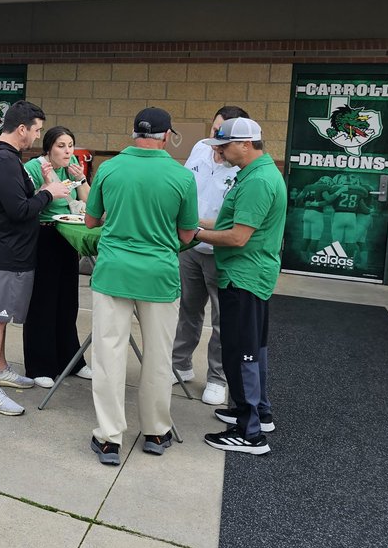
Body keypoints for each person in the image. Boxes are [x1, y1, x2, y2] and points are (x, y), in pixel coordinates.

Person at [84, 107, 198, 466]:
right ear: (167, 136)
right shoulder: (181, 176)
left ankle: (109, 438)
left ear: (133, 133)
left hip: (114, 271)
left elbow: (90, 220)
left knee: (108, 356)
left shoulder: (110, 168)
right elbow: (187, 234)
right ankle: (155, 430)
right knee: (159, 357)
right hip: (159, 275)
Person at [196, 117, 287, 456]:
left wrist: (192, 235)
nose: (218, 151)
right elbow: (227, 223)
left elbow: (237, 237)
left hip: (244, 277)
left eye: (224, 145)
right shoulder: (255, 174)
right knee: (251, 348)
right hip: (248, 276)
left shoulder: (258, 181)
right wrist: (193, 222)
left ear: (246, 144)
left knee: (243, 352)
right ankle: (257, 413)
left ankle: (251, 434)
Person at [0, 100, 69, 416]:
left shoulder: (9, 159)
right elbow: (18, 210)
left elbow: (19, 201)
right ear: (22, 128)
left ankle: (0, 369)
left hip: (10, 251)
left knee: (0, 318)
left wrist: (42, 187)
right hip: (5, 252)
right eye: (37, 129)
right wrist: (49, 194)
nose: (37, 136)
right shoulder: (2, 161)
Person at [173, 106, 250, 407]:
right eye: (213, 130)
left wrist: (197, 228)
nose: (215, 138)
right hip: (190, 249)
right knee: (188, 310)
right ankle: (180, 364)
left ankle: (218, 378)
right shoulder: (200, 149)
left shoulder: (241, 167)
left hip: (220, 250)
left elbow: (235, 224)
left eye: (222, 134)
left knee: (223, 319)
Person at [22, 125, 91, 386]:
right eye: (61, 146)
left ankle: (71, 360)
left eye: (70, 145)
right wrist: (47, 186)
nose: (67, 151)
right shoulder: (34, 168)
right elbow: (27, 204)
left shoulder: (72, 165)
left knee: (67, 301)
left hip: (69, 234)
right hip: (44, 235)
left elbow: (88, 201)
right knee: (43, 301)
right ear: (48, 148)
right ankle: (40, 365)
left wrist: (82, 179)